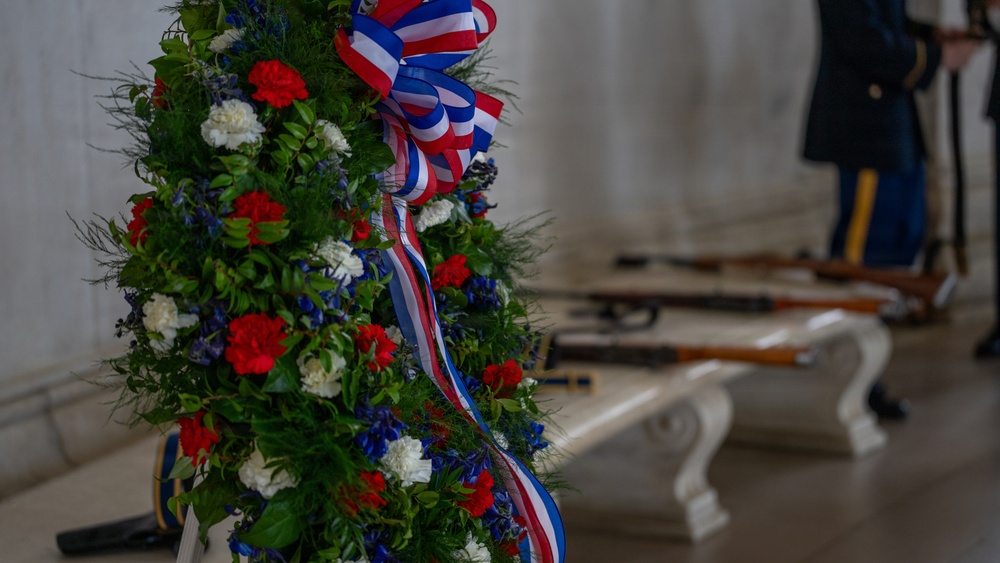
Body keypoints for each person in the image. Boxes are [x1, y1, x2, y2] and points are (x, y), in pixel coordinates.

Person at [802, 0, 980, 418]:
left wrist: (929, 36)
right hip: (866, 126)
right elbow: (860, 38)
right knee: (863, 260)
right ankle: (847, 376)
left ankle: (865, 371)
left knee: (899, 246)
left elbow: (883, 17)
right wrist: (935, 57)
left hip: (890, 123)